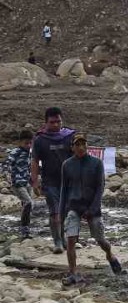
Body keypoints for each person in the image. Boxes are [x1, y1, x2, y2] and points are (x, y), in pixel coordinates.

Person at [60, 133, 122, 285]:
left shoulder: (96, 163)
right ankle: (73, 272)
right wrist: (61, 214)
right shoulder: (67, 165)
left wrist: (93, 208)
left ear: (87, 146)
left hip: (92, 207)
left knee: (100, 240)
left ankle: (110, 255)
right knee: (71, 240)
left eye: (83, 144)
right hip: (74, 206)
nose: (81, 147)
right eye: (77, 145)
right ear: (72, 147)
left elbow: (100, 188)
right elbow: (64, 190)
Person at [32, 107, 75, 254]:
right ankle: (57, 241)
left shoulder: (70, 136)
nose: (56, 125)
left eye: (58, 121)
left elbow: (79, 156)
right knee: (55, 213)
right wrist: (35, 181)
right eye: (52, 122)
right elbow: (35, 161)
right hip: (50, 182)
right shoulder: (39, 140)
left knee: (67, 213)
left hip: (69, 181)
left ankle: (64, 238)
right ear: (46, 123)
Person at [4, 130, 35, 239]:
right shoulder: (15, 152)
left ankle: (26, 230)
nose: (28, 145)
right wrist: (8, 177)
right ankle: (24, 229)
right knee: (28, 203)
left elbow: (31, 166)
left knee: (27, 205)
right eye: (26, 143)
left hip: (27, 182)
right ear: (20, 142)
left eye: (30, 143)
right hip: (17, 183)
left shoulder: (31, 153)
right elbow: (7, 165)